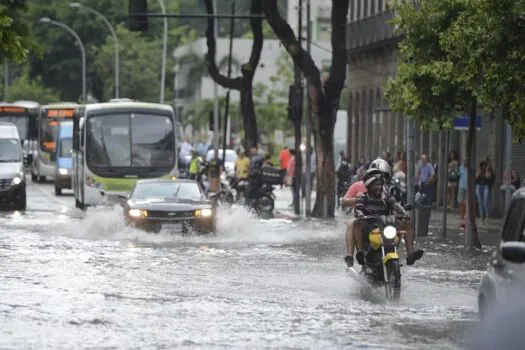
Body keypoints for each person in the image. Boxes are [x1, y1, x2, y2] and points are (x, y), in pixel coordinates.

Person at [352, 171, 424, 267]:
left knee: (407, 223)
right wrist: (360, 215)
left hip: (386, 227)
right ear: (369, 186)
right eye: (376, 185)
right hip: (369, 227)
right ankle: (360, 253)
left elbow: (396, 206)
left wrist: (404, 213)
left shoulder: (386, 198)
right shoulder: (363, 198)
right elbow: (358, 209)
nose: (379, 187)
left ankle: (410, 253)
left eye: (380, 185)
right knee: (356, 223)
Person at [342, 159, 391, 267]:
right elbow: (344, 202)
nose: (379, 180)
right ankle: (353, 255)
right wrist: (356, 199)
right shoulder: (358, 186)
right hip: (364, 220)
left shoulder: (386, 190)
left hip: (382, 221)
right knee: (352, 223)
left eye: (383, 176)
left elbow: (393, 204)